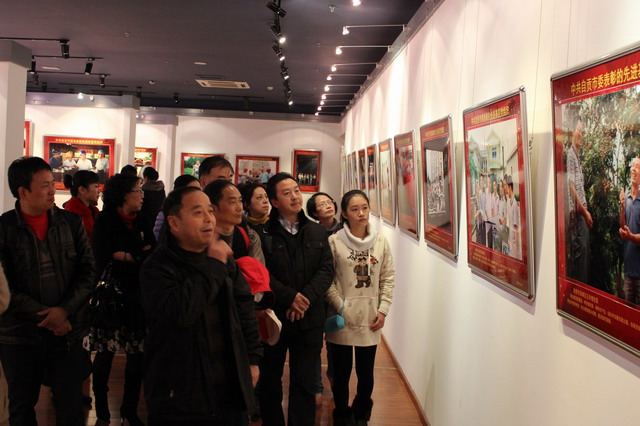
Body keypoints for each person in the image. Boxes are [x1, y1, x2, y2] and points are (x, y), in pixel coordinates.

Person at [140, 186, 262, 425]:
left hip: (229, 390)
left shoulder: (223, 259)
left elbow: (244, 310)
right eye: (198, 212)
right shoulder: (157, 266)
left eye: (210, 211)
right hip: (180, 394)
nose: (209, 219)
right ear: (174, 223)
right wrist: (214, 265)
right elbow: (181, 312)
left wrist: (252, 360)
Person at [0, 157, 95, 425]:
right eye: (45, 185)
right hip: (19, 335)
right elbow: (4, 287)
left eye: (52, 183)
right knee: (21, 407)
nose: (53, 190)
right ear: (23, 192)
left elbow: (88, 271)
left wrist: (64, 311)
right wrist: (48, 316)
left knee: (71, 406)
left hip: (67, 333)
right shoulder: (4, 228)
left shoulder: (70, 222)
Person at [258, 172, 334, 426]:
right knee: (270, 380)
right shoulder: (263, 233)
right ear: (274, 201)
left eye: (296, 190)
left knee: (304, 382)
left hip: (309, 317)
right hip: (275, 318)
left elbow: (326, 269)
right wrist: (290, 297)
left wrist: (304, 300)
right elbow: (262, 274)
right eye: (286, 193)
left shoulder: (317, 231)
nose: (294, 196)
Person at [88, 173, 156, 425]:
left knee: (137, 358)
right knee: (104, 355)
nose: (142, 196)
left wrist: (126, 255)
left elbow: (152, 251)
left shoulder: (143, 219)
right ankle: (102, 408)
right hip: (111, 298)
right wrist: (136, 255)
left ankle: (129, 409)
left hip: (138, 296)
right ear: (123, 195)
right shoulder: (105, 220)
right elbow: (103, 255)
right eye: (138, 191)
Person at [326, 189, 395, 426]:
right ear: (345, 214)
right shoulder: (334, 241)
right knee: (341, 373)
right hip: (342, 318)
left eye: (364, 208)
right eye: (354, 209)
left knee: (366, 374)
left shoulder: (381, 241)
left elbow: (387, 277)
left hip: (371, 316)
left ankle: (362, 413)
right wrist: (341, 307)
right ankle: (342, 414)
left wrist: (383, 309)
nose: (361, 213)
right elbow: (327, 280)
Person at [306, 192, 341, 405]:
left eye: (329, 202)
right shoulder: (311, 232)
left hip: (339, 294)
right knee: (315, 344)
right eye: (322, 204)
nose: (328, 205)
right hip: (318, 294)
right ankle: (316, 387)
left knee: (336, 344)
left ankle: (335, 380)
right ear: (314, 212)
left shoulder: (345, 231)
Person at [204, 180, 265, 264]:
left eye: (240, 201)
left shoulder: (250, 236)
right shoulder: (201, 239)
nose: (239, 208)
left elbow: (258, 270)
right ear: (213, 208)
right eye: (232, 202)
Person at [567, 115, 592, 283]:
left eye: (582, 131)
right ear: (572, 132)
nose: (581, 134)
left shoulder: (576, 157)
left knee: (584, 259)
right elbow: (571, 188)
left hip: (581, 215)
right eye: (579, 130)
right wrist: (585, 213)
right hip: (578, 216)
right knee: (581, 262)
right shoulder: (570, 156)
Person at [153, 174, 200, 240]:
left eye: (199, 190)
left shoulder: (200, 211)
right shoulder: (166, 213)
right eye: (193, 190)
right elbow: (159, 236)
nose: (198, 194)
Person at [619, 157, 640, 305]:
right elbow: (623, 229)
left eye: (637, 166)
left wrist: (631, 236)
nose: (633, 169)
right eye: (632, 166)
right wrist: (622, 208)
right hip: (628, 272)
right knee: (627, 314)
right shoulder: (626, 197)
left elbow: (629, 236)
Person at [63, 170, 100, 244]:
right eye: (96, 187)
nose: (99, 191)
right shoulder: (72, 215)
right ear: (82, 190)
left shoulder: (93, 211)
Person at [140, 166, 166, 233]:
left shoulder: (144, 190)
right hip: (160, 219)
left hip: (147, 221)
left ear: (146, 177)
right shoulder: (161, 189)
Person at [506, 176, 521, 260]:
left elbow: (516, 227)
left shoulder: (515, 205)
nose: (506, 190)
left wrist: (515, 247)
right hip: (510, 242)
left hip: (515, 245)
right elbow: (510, 224)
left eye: (506, 188)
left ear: (510, 187)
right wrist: (508, 239)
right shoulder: (509, 202)